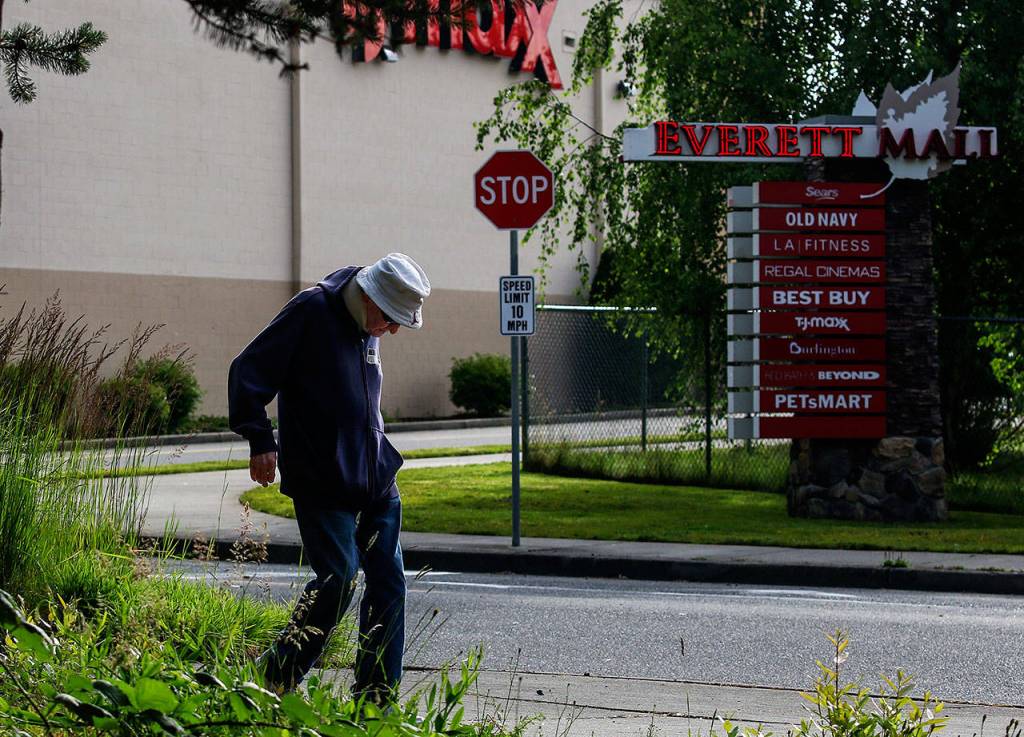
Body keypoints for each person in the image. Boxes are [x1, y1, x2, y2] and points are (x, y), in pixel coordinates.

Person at [227, 253, 430, 700]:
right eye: (391, 319)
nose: (394, 330)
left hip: (376, 475)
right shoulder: (311, 311)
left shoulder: (368, 325)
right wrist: (260, 439)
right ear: (369, 298)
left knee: (389, 581)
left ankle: (376, 698)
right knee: (339, 578)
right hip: (321, 477)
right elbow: (248, 371)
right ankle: (273, 677)